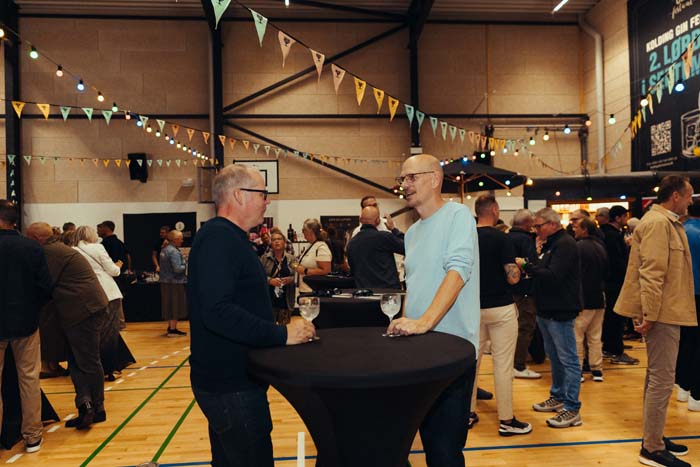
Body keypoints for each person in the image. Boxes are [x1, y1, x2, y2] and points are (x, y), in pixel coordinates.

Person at [188, 164, 316, 467]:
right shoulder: (219, 239)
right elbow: (218, 311)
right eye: (262, 193)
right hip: (230, 385)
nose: (267, 201)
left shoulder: (227, 237)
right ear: (238, 195)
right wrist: (282, 334)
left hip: (231, 381)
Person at [387, 154, 479, 467]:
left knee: (444, 452)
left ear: (435, 178)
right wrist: (404, 320)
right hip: (419, 349)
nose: (405, 184)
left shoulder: (457, 215)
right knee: (425, 440)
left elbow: (458, 270)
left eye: (411, 177)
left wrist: (425, 321)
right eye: (402, 179)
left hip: (453, 349)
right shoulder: (412, 232)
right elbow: (415, 285)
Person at [615, 175, 697, 467]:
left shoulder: (664, 221)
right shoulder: (658, 223)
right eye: (688, 195)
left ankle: (654, 436)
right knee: (662, 379)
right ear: (675, 196)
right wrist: (648, 314)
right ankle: (651, 447)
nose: (691, 201)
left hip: (666, 310)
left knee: (658, 377)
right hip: (661, 313)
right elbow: (651, 272)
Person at [27, 222, 109, 430]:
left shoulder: (50, 252)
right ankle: (86, 405)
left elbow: (42, 284)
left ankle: (96, 407)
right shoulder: (57, 249)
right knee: (77, 361)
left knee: (87, 361)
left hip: (83, 310)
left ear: (36, 238)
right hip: (84, 309)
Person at [470, 195, 531, 437]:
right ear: (494, 210)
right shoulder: (501, 238)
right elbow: (512, 277)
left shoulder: (467, 237)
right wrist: (519, 266)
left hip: (473, 308)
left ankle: (467, 413)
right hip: (501, 308)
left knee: (471, 364)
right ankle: (506, 420)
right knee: (503, 365)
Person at [518, 208, 583, 428]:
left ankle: (572, 408)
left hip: (561, 310)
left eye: (539, 226)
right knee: (554, 357)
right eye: (534, 226)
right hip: (546, 309)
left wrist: (527, 266)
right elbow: (544, 271)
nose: (535, 230)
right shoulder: (550, 244)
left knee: (568, 360)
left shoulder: (565, 244)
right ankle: (558, 396)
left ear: (553, 224)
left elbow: (554, 276)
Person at [0, 200, 52, 453]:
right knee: (29, 379)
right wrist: (31, 308)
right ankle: (32, 436)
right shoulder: (31, 248)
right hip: (26, 322)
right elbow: (45, 287)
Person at [70, 226, 124, 380]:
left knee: (93, 332)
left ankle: (92, 367)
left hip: (87, 296)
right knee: (109, 332)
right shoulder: (98, 248)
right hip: (108, 292)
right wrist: (118, 266)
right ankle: (109, 368)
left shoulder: (72, 251)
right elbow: (113, 271)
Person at [601, 205, 638, 365]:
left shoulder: (611, 233)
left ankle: (611, 347)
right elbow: (617, 261)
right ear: (617, 218)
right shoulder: (612, 235)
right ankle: (615, 350)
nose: (626, 220)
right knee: (616, 317)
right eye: (624, 216)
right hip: (615, 282)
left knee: (612, 317)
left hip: (611, 282)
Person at [572, 217, 608, 383]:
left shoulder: (578, 247)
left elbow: (576, 274)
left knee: (577, 335)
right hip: (599, 295)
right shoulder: (600, 246)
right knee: (595, 336)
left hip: (583, 297)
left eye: (577, 227)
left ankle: (578, 370)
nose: (574, 229)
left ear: (585, 229)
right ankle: (597, 370)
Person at [508, 208, 541, 379]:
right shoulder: (526, 240)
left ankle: (511, 363)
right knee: (525, 327)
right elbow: (530, 265)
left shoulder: (506, 237)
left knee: (512, 328)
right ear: (527, 223)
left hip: (508, 291)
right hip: (524, 291)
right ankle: (518, 365)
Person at [346, 205, 405, 290]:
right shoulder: (384, 237)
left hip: (364, 293)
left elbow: (352, 269)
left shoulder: (352, 243)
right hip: (388, 292)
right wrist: (394, 229)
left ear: (360, 220)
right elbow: (408, 247)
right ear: (378, 221)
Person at [677, 200, 700, 410]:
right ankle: (697, 395)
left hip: (680, 293)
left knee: (685, 341)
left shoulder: (680, 230)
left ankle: (683, 387)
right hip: (698, 292)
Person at [260, 228, 296, 324]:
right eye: (274, 240)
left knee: (284, 329)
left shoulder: (292, 259)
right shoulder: (264, 258)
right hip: (269, 302)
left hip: (286, 302)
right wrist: (270, 281)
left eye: (279, 239)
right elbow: (258, 276)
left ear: (284, 242)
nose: (276, 241)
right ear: (271, 243)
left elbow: (297, 276)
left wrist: (290, 279)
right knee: (269, 329)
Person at [160, 230, 188, 337]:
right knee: (176, 305)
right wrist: (185, 263)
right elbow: (177, 269)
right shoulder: (174, 252)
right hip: (175, 283)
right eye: (181, 239)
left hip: (165, 282)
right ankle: (173, 330)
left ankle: (170, 327)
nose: (182, 240)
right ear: (175, 240)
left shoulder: (164, 250)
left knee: (169, 305)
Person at [294, 219, 332, 293]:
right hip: (304, 290)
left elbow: (326, 271)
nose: (302, 232)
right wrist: (294, 265)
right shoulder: (310, 246)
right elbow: (300, 264)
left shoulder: (321, 248)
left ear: (310, 231)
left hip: (313, 292)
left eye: (303, 230)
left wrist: (305, 271)